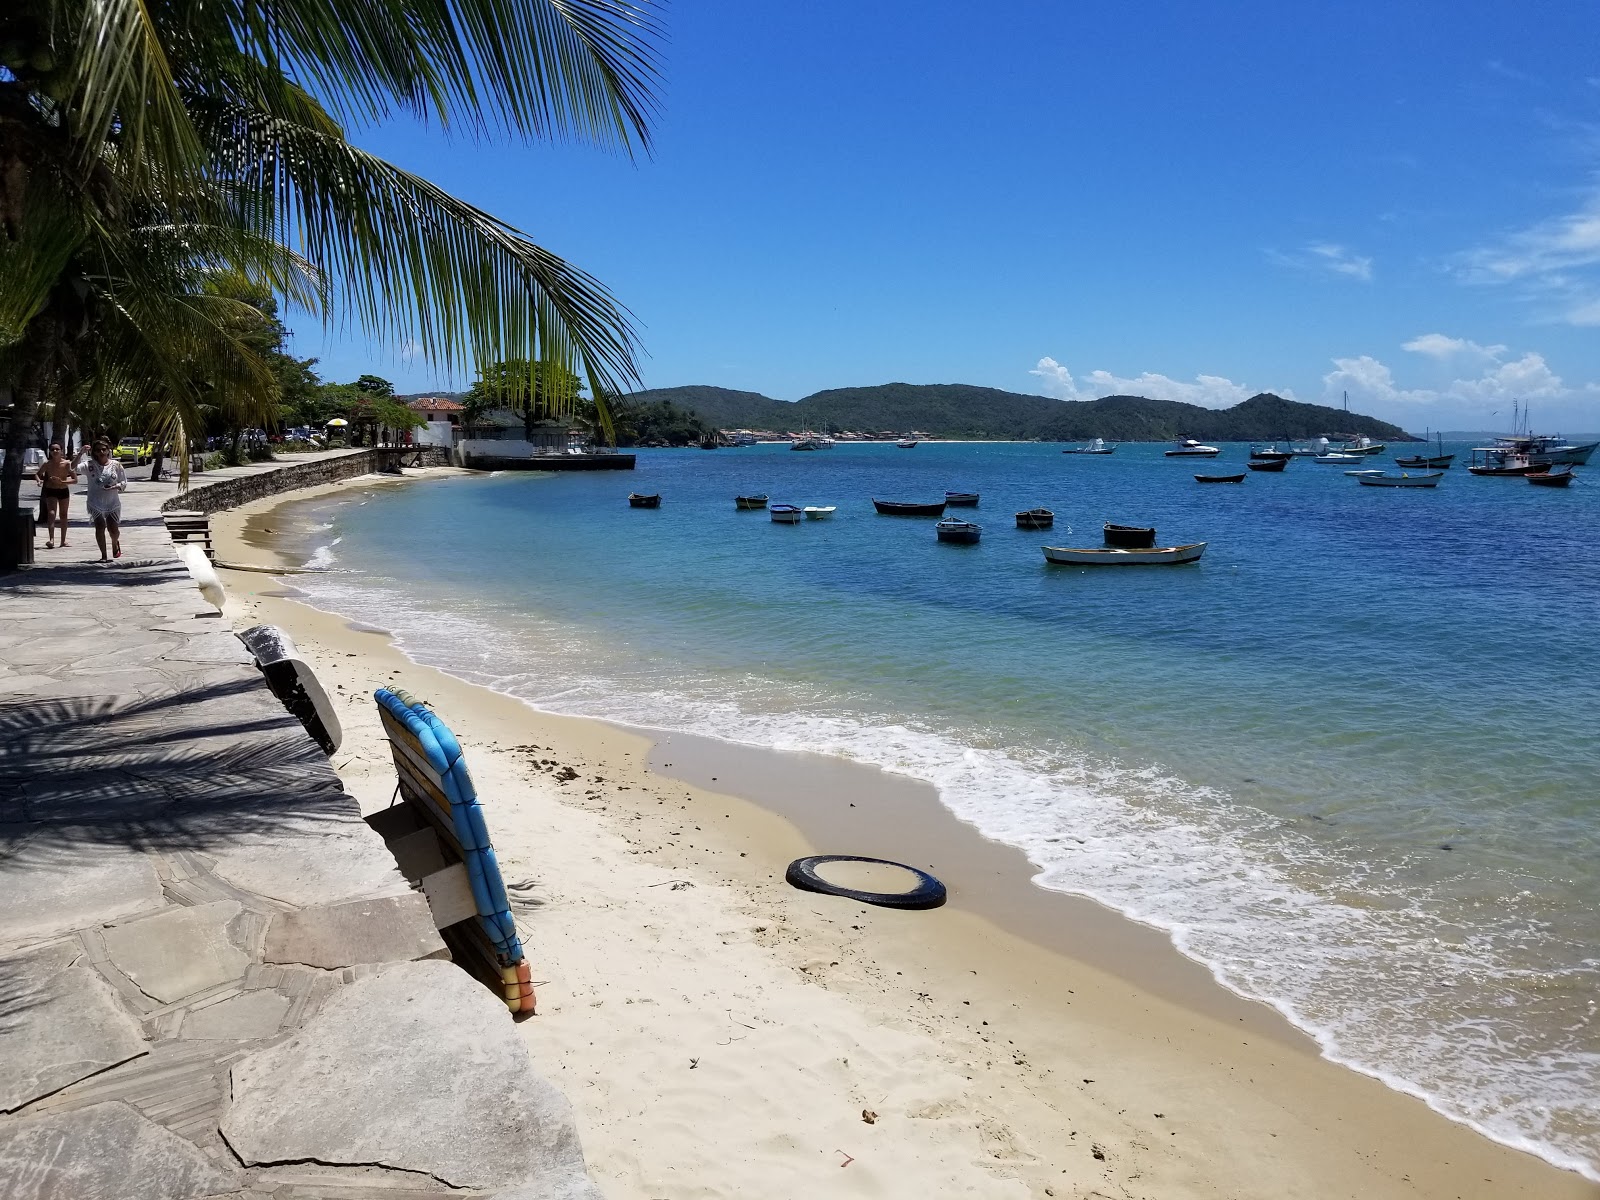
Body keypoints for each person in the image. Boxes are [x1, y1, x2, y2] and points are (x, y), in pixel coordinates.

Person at [83, 440, 127, 561]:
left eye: (104, 449)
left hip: (112, 501)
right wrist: (81, 452)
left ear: (108, 450)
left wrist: (115, 487)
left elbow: (123, 482)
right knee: (100, 526)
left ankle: (114, 542)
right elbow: (72, 468)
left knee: (113, 529)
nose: (101, 452)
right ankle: (103, 555)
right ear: (95, 452)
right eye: (98, 450)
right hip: (95, 501)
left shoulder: (116, 465)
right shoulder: (89, 465)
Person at [33, 443, 78, 549]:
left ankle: (63, 540)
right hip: (50, 490)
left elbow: (75, 480)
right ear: (50, 451)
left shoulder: (67, 464)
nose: (55, 451)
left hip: (63, 490)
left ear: (62, 451)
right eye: (52, 449)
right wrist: (39, 481)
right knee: (51, 513)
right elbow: (37, 474)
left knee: (63, 515)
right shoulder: (47, 464)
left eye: (57, 449)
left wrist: (62, 481)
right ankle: (51, 539)